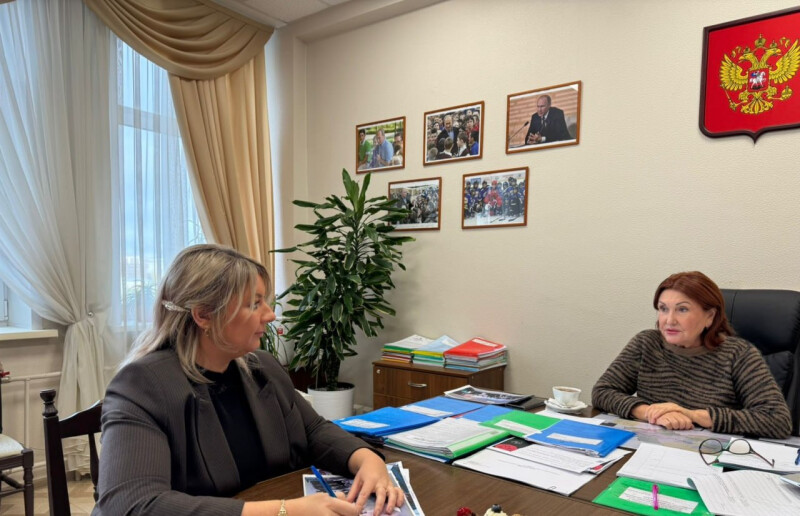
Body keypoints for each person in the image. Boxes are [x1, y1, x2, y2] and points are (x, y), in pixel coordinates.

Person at [93, 244, 405, 516]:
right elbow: (131, 505)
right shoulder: (141, 386)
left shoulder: (261, 367)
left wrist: (367, 460)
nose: (270, 315)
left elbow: (313, 430)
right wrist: (284, 511)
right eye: (254, 304)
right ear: (203, 315)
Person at [592, 271, 792, 439]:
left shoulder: (738, 354)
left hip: (710, 456)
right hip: (647, 449)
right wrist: (649, 413)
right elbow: (603, 391)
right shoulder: (647, 343)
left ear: (710, 316)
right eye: (663, 309)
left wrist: (691, 415)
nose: (669, 320)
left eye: (682, 309)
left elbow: (777, 420)